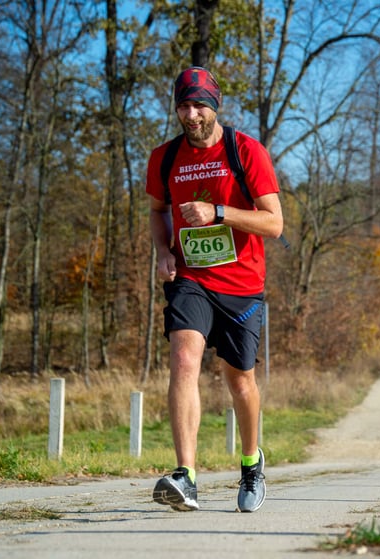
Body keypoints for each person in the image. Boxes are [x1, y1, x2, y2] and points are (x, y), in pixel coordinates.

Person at [146, 66, 283, 513]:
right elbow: (157, 210)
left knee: (239, 379)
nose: (191, 114)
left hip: (242, 285)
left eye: (199, 105)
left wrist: (219, 211)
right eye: (183, 106)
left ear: (215, 106)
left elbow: (274, 223)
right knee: (184, 358)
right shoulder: (164, 158)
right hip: (191, 279)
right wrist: (163, 251)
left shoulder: (246, 151)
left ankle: (251, 463)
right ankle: (185, 475)